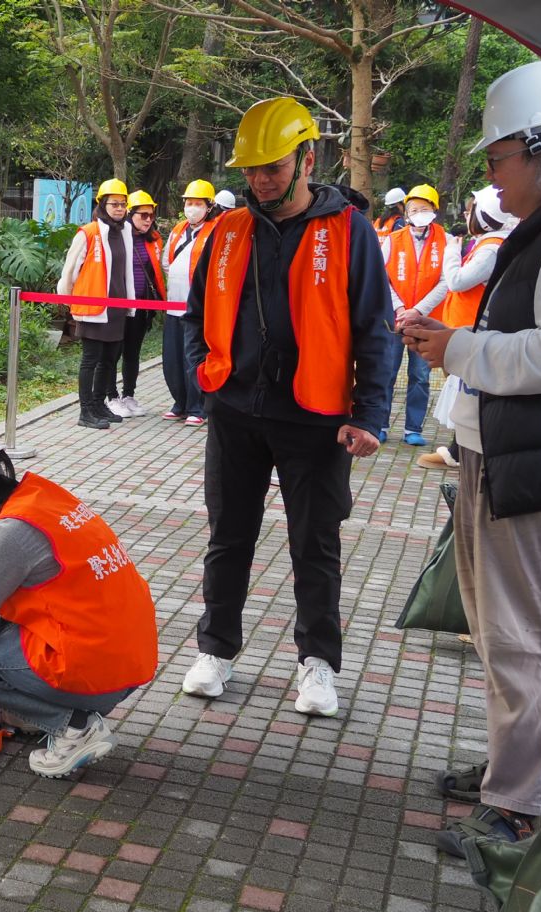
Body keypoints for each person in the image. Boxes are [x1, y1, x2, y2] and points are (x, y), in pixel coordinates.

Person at [396, 62, 541, 857]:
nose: (491, 176)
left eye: (497, 158)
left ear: (540, 150)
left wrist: (459, 349)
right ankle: (516, 769)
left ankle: (523, 809)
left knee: (527, 640)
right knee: (506, 636)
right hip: (519, 460)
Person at [180, 96, 393, 717]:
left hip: (317, 418)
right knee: (228, 538)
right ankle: (215, 650)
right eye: (251, 169)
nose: (260, 180)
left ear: (306, 160)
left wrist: (369, 414)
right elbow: (195, 315)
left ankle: (317, 663)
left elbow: (375, 328)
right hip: (236, 413)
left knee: (315, 546)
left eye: (272, 167)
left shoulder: (348, 231)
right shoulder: (227, 231)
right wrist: (204, 379)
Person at [0, 429, 158, 778]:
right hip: (132, 661)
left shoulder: (10, 533)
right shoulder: (47, 498)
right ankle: (36, 711)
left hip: (98, 672)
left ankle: (74, 727)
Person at [418, 185, 517, 471]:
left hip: (473, 331)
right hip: (465, 329)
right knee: (464, 391)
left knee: (469, 391)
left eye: (471, 210)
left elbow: (458, 281)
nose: (465, 215)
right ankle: (457, 450)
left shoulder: (492, 248)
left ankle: (459, 452)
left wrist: (451, 252)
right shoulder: (488, 243)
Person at [58, 179, 132, 430]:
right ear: (102, 205)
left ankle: (99, 405)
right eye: (114, 204)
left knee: (109, 360)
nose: (119, 208)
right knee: (91, 359)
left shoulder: (124, 232)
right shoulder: (89, 232)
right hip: (93, 307)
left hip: (117, 307)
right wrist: (69, 299)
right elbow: (70, 270)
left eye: (123, 204)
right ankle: (85, 410)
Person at [381, 184, 451, 446]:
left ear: (434, 210)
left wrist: (418, 310)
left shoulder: (446, 240)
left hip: (426, 321)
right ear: (406, 212)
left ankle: (413, 428)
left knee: (420, 376)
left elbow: (446, 280)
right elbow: (382, 277)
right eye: (413, 209)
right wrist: (400, 308)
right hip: (394, 320)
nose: (419, 213)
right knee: (386, 372)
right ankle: (380, 424)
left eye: (424, 208)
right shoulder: (393, 239)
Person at [160, 179, 220, 427]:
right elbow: (166, 262)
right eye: (189, 203)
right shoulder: (178, 229)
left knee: (193, 357)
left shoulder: (216, 230)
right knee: (172, 358)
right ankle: (180, 403)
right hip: (173, 305)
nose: (192, 208)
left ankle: (199, 406)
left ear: (209, 206)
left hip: (198, 309)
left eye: (198, 203)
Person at [107, 190, 166, 418]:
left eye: (151, 215)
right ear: (130, 214)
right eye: (143, 215)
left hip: (142, 306)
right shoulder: (116, 236)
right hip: (118, 306)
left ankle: (128, 395)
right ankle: (111, 396)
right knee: (114, 352)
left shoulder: (154, 239)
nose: (148, 220)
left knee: (133, 352)